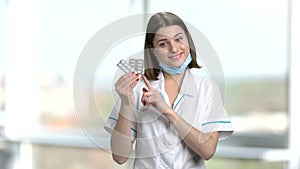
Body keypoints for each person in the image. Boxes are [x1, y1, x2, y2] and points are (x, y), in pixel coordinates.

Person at [104, 12, 234, 169]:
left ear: (188, 41)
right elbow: (119, 156)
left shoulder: (208, 90)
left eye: (179, 39)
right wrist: (126, 103)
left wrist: (166, 110)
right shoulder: (136, 90)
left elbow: (207, 150)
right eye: (163, 44)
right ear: (152, 50)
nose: (174, 48)